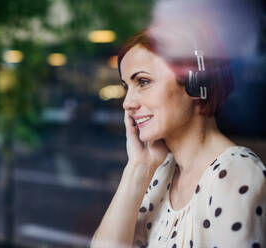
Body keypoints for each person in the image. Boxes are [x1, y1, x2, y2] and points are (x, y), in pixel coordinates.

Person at [90, 21, 266, 248]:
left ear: (196, 82)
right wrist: (138, 168)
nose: (127, 103)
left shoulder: (236, 175)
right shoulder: (162, 171)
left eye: (142, 82)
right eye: (127, 87)